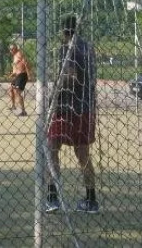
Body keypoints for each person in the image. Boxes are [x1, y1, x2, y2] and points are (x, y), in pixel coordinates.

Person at [45, 15, 99, 214]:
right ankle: (91, 199)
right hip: (85, 107)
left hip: (65, 107)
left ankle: (52, 197)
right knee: (83, 153)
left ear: (63, 30)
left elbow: (70, 76)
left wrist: (54, 94)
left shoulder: (66, 49)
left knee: (51, 148)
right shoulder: (89, 48)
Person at [8, 43, 33, 116]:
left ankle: (23, 111)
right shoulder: (15, 56)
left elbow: (26, 63)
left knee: (17, 92)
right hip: (17, 75)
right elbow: (17, 66)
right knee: (10, 89)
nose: (10, 50)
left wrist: (29, 74)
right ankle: (13, 106)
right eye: (10, 49)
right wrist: (13, 73)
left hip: (22, 75)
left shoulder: (19, 54)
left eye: (12, 49)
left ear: (15, 49)